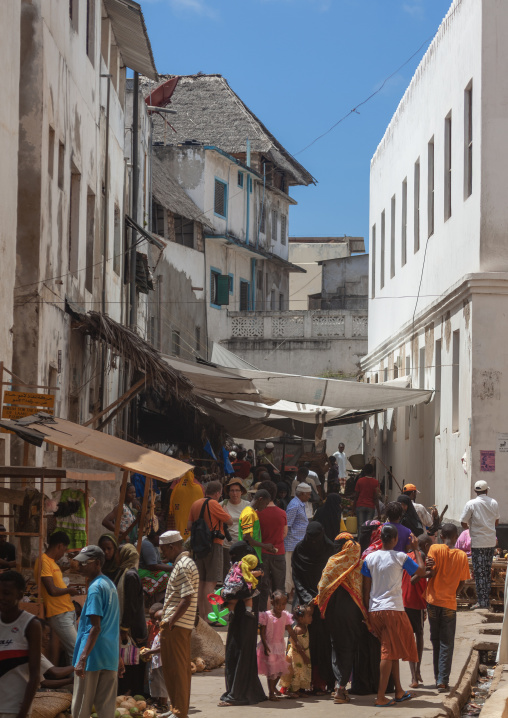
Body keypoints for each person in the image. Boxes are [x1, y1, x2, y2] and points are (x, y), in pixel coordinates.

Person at [361, 525, 425, 707]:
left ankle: (398, 690)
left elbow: (366, 589)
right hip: (393, 610)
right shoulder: (401, 557)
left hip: (375, 610)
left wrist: (367, 613)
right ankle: (381, 697)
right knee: (388, 652)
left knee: (392, 649)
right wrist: (416, 549)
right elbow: (420, 571)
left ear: (381, 538)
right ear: (396, 539)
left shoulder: (369, 558)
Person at [315, 532, 370, 704]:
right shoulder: (359, 565)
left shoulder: (332, 562)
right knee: (348, 649)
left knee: (335, 647)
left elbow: (322, 587)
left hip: (332, 612)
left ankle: (339, 685)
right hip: (351, 614)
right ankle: (340, 689)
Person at [72, 545, 122, 718]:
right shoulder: (110, 585)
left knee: (81, 709)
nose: (81, 566)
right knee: (106, 709)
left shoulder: (95, 588)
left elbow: (96, 627)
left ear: (98, 564)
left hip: (92, 656)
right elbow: (112, 623)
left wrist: (82, 658)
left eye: (85, 563)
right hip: (109, 655)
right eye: (80, 563)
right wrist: (119, 656)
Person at [219, 542, 267, 707]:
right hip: (236, 617)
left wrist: (230, 595)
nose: (233, 560)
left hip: (247, 618)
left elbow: (249, 591)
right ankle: (235, 690)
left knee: (243, 651)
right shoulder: (237, 567)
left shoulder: (256, 568)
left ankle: (238, 694)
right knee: (233, 650)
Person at [159, 530, 199, 718]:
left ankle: (179, 711)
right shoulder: (184, 563)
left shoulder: (183, 565)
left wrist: (170, 622)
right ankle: (176, 708)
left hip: (177, 625)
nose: (162, 554)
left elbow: (187, 598)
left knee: (178, 670)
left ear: (172, 546)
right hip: (179, 624)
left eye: (163, 550)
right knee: (175, 669)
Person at [292, 522, 336, 692]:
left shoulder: (331, 549)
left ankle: (325, 682)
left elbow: (333, 575)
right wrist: (309, 598)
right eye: (311, 539)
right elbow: (297, 577)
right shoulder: (299, 550)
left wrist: (322, 596)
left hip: (326, 602)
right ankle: (303, 683)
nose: (313, 543)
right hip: (306, 604)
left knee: (325, 643)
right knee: (304, 642)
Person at [426, 524, 470, 692]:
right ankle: (442, 680)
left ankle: (438, 677)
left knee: (435, 640)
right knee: (447, 642)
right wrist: (453, 593)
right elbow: (462, 582)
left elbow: (430, 571)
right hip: (449, 604)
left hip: (432, 601)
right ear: (457, 535)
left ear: (441, 535)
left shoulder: (435, 549)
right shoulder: (462, 556)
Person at [188, 481, 233, 623]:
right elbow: (229, 521)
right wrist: (224, 511)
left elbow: (189, 525)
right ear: (218, 492)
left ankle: (202, 616)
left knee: (201, 581)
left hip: (198, 546)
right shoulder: (214, 504)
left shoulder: (195, 504)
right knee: (211, 582)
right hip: (213, 544)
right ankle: (209, 617)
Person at [0, 570, 42, 718]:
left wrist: (22, 713)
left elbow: (35, 675)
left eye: (6, 593)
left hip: (14, 709)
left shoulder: (30, 625)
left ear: (19, 594)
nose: (1, 598)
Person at [257, 590, 309, 701]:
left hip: (280, 647)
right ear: (272, 602)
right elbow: (262, 632)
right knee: (271, 671)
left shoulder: (285, 616)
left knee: (280, 670)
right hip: (269, 646)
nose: (281, 607)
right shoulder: (267, 616)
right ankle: (271, 693)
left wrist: (297, 642)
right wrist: (266, 646)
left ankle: (273, 687)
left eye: (283, 604)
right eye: (278, 604)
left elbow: (290, 631)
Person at [36, 530, 78, 664]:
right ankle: (76, 683)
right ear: (60, 546)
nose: (63, 554)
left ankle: (73, 681)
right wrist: (69, 590)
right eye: (64, 550)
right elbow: (52, 591)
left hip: (67, 611)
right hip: (58, 613)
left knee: (72, 651)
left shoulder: (52, 563)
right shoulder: (43, 561)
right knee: (76, 650)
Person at [460, 480, 500, 609]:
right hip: (490, 542)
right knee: (487, 571)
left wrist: (472, 528)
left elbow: (463, 522)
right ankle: (485, 601)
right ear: (486, 490)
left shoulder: (471, 504)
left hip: (478, 542)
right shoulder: (493, 502)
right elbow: (497, 522)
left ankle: (482, 602)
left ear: (475, 491)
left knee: (479, 572)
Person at [114, 544, 147, 697]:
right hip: (132, 625)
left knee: (133, 660)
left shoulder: (130, 575)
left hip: (133, 627)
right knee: (130, 659)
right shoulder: (125, 572)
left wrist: (125, 628)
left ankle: (132, 692)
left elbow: (131, 605)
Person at [402, 533, 433, 688]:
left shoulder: (406, 556)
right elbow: (414, 579)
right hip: (414, 601)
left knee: (410, 637)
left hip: (405, 600)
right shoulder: (421, 557)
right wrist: (429, 573)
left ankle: (415, 674)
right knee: (418, 635)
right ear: (426, 546)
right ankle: (416, 674)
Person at [256, 480, 287, 611]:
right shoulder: (282, 513)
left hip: (261, 554)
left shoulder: (256, 514)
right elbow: (284, 534)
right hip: (278, 553)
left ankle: (263, 618)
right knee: (279, 588)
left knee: (263, 588)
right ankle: (279, 617)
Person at [284, 483, 312, 597]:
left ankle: (293, 592)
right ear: (302, 494)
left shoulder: (300, 504)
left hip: (297, 543)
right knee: (289, 571)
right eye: (308, 494)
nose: (309, 497)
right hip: (291, 543)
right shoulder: (294, 505)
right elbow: (287, 525)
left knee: (294, 569)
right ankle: (288, 593)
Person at [279, 605, 313, 696]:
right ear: (301, 619)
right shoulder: (298, 630)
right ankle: (291, 690)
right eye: (309, 616)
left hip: (302, 653)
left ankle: (299, 690)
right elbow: (297, 645)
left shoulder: (304, 627)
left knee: (302, 671)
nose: (311, 617)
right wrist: (304, 656)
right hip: (297, 655)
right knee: (296, 672)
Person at [221, 478, 250, 580]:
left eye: (237, 490)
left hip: (242, 545)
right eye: (232, 490)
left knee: (242, 572)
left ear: (241, 492)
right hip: (226, 545)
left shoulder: (247, 505)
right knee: (227, 571)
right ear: (228, 492)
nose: (234, 493)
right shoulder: (222, 505)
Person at [238, 489, 276, 564]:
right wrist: (265, 546)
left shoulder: (252, 512)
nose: (265, 507)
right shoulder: (249, 513)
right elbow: (246, 538)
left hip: (253, 555)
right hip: (248, 556)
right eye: (266, 503)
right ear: (260, 499)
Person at [141, 608, 168, 712]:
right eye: (155, 619)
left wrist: (150, 652)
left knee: (162, 685)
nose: (156, 622)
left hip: (162, 663)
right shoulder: (159, 632)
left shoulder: (166, 633)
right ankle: (159, 702)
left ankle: (164, 704)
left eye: (159, 619)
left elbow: (163, 647)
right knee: (157, 683)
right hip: (156, 663)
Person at [39, 620, 75, 688]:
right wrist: (79, 665)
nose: (48, 638)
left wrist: (70, 680)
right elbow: (56, 673)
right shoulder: (33, 654)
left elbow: (43, 682)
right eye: (46, 635)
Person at [138, 530, 172, 600]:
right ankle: (145, 593)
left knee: (170, 567)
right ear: (155, 536)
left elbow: (159, 562)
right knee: (163, 576)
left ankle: (162, 598)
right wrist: (172, 568)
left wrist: (171, 567)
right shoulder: (147, 544)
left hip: (149, 570)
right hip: (141, 571)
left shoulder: (154, 545)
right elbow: (152, 566)